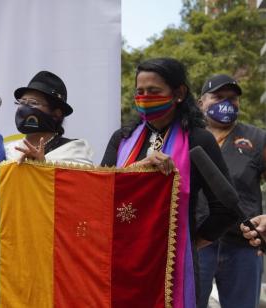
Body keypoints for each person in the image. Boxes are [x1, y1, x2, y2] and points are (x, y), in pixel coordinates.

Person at [101, 58, 240, 304]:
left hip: (174, 264)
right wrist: (136, 170)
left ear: (178, 93)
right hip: (121, 259)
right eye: (140, 92)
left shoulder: (199, 141)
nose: (144, 98)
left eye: (154, 92)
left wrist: (187, 243)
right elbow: (98, 194)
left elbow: (225, 207)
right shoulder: (121, 139)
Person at [195, 74, 266, 308]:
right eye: (217, 97)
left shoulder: (258, 139)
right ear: (200, 103)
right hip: (197, 244)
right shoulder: (186, 137)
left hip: (244, 247)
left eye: (232, 98)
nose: (226, 103)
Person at [5, 71, 93, 164]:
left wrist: (43, 166)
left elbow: (81, 177)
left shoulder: (73, 151)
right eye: (22, 102)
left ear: (56, 114)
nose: (25, 108)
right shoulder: (8, 152)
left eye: (33, 103)